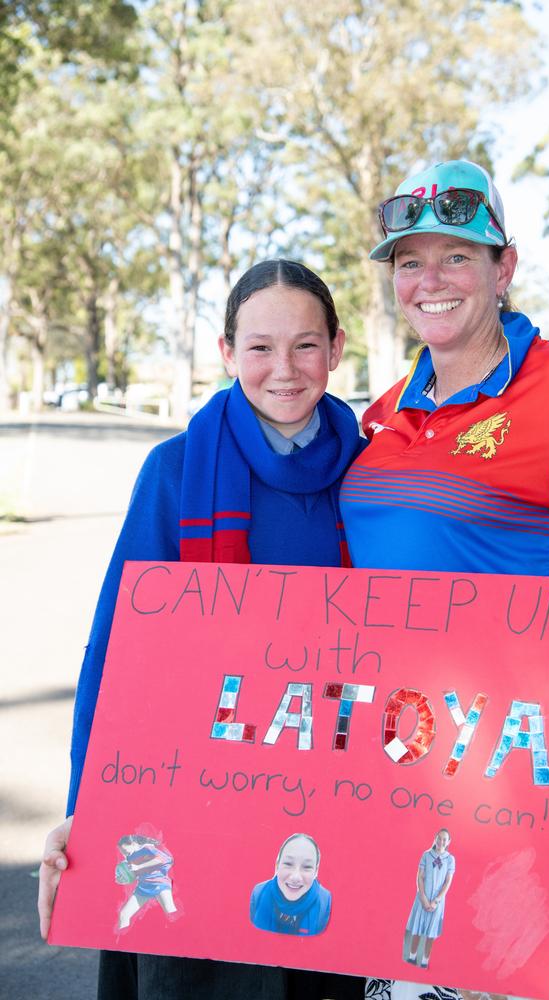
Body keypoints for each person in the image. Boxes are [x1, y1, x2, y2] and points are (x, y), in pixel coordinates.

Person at [339, 159, 549, 1000]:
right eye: (409, 262)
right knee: (396, 965)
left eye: (456, 259)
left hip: (508, 757)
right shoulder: (385, 409)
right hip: (388, 746)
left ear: (503, 268)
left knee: (494, 968)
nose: (429, 281)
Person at [38, 258, 366, 1000]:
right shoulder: (177, 471)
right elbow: (117, 647)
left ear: (337, 348)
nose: (283, 369)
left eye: (306, 345)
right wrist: (84, 810)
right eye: (259, 347)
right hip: (196, 799)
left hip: (332, 802)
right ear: (227, 353)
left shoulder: (374, 477)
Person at [250, 833, 332, 936]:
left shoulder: (325, 902)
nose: (295, 877)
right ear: (277, 865)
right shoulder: (258, 894)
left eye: (307, 867)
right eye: (288, 864)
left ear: (316, 871)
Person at [404, 830, 455, 969]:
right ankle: (412, 957)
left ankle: (425, 960)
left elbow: (447, 882)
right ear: (435, 838)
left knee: (431, 932)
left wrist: (436, 900)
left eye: (444, 839)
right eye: (439, 838)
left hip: (437, 902)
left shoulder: (450, 859)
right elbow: (420, 876)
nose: (441, 842)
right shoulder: (426, 855)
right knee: (417, 928)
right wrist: (423, 898)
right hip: (422, 898)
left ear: (448, 841)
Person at [115, 834, 176, 930]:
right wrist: (122, 879)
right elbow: (134, 876)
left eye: (125, 851)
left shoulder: (147, 848)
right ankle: (121, 940)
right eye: (122, 852)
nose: (125, 854)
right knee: (124, 915)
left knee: (171, 913)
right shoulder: (130, 857)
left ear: (133, 844)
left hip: (159, 883)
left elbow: (163, 859)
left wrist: (139, 866)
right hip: (143, 887)